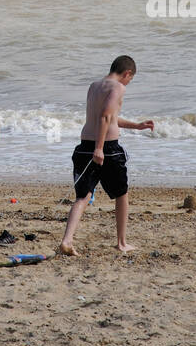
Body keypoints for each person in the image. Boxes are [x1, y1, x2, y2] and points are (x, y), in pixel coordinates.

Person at [59, 56, 154, 257]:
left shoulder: (94, 86)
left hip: (84, 146)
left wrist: (137, 126)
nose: (128, 83)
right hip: (107, 148)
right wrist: (100, 148)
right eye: (130, 79)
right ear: (127, 73)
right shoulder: (118, 87)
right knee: (121, 194)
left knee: (83, 196)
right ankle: (121, 242)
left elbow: (109, 117)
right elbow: (104, 116)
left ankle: (67, 240)